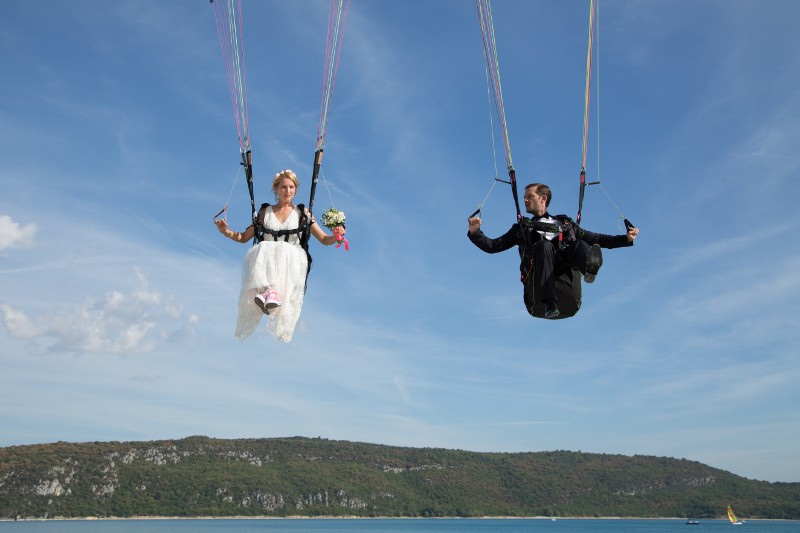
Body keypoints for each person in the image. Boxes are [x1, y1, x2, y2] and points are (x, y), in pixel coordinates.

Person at [468, 183, 638, 320]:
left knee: (579, 243)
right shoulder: (522, 228)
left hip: (566, 280)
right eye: (524, 197)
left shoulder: (566, 224)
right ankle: (550, 303)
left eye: (529, 196)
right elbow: (493, 246)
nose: (525, 200)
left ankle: (589, 269)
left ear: (543, 198)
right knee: (544, 246)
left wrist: (626, 239)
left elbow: (598, 239)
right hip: (540, 289)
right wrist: (476, 233)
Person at [215, 169, 345, 342]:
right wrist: (226, 232)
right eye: (283, 187)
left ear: (296, 190)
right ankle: (267, 291)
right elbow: (244, 238)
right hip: (266, 260)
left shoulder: (303, 213)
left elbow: (323, 238)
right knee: (263, 247)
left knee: (283, 250)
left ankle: (272, 293)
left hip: (291, 261)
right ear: (276, 189)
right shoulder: (264, 212)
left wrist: (337, 237)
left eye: (291, 187)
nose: (288, 191)